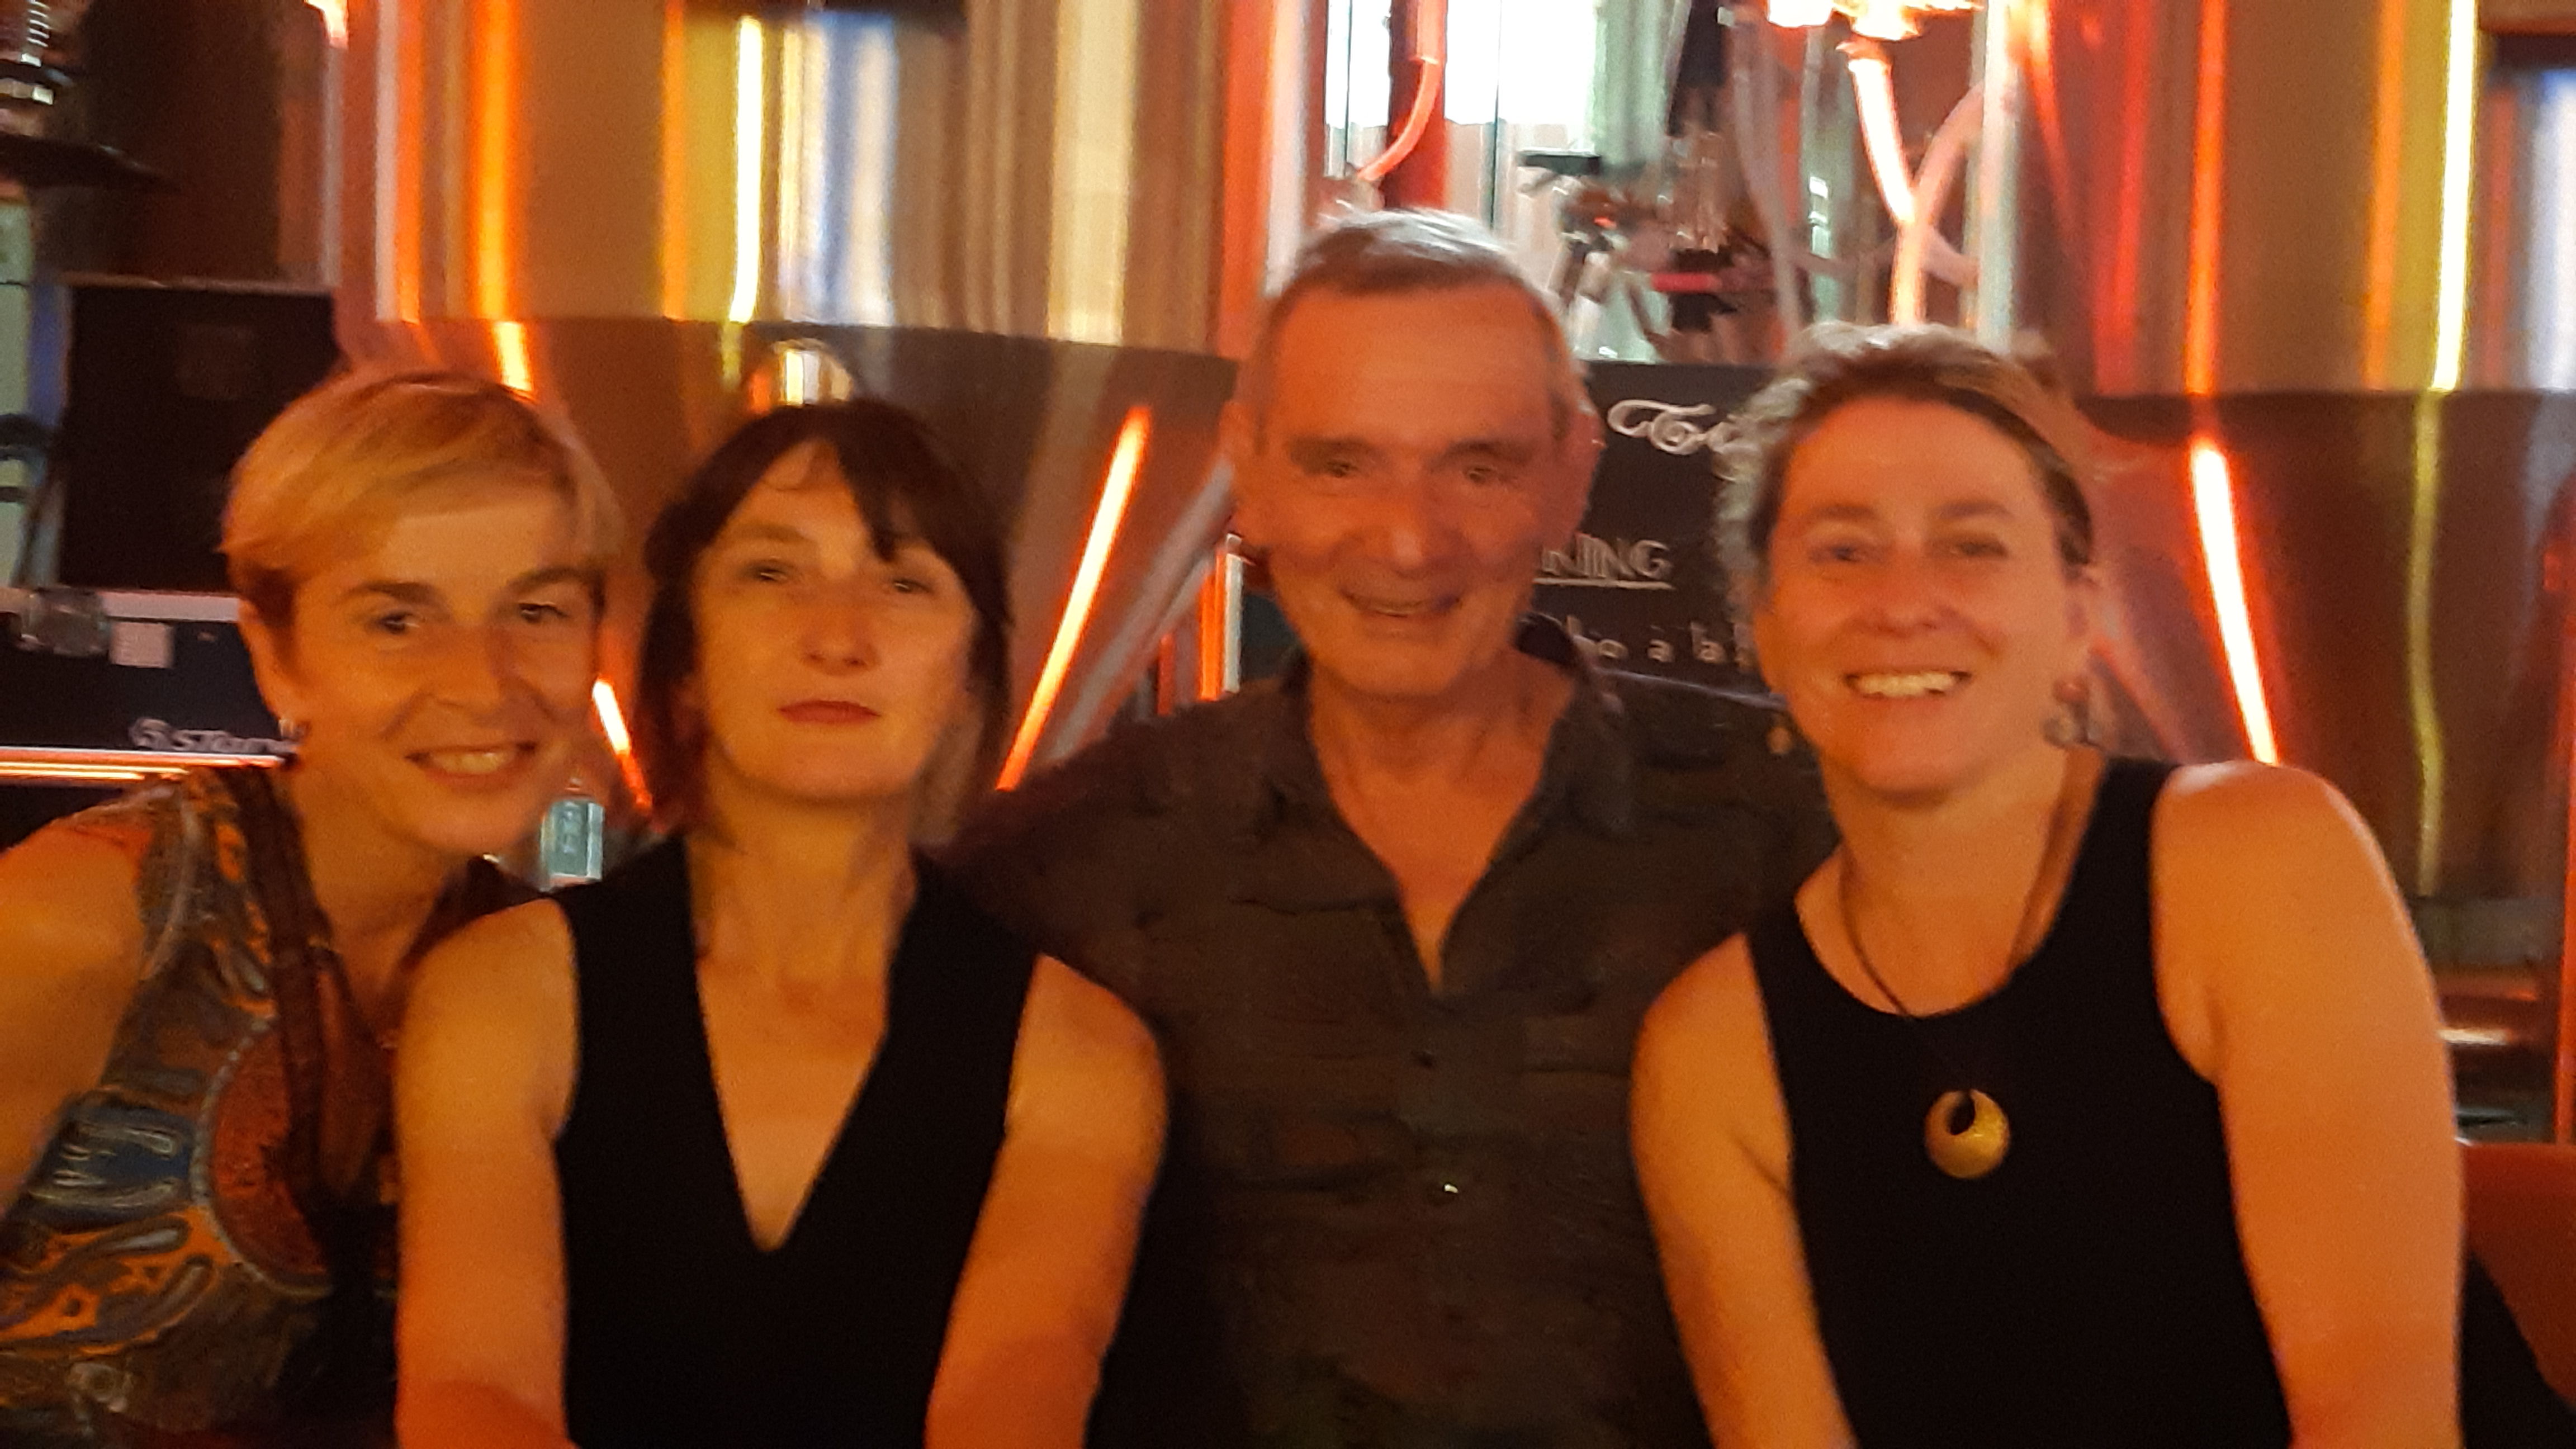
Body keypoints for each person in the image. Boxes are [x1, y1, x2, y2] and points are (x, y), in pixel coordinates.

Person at [946, 209, 1831, 1446]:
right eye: (1341, 466)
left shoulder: (1783, 836)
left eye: (1478, 468)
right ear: (1249, 474)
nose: (1410, 542)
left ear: (1573, 475)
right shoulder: (1070, 864)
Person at [1631, 323, 2573, 1447]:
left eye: (1973, 546)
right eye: (1843, 552)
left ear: (2077, 621)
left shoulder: (2252, 863)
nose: (1904, 601)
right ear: (1765, 629)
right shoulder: (1713, 1053)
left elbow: (2381, 1422)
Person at [394, 401, 1165, 1449]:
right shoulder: (502, 993)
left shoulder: (1078, 1052)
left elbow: (1020, 1389)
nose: (838, 638)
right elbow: (473, 1392)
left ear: (968, 679)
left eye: (905, 585)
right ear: (685, 665)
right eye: (771, 573)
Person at [0, 371, 620, 1447]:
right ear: (275, 654)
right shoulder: (90, 919)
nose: (485, 683)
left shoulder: (533, 967)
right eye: (397, 619)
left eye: (537, 611)